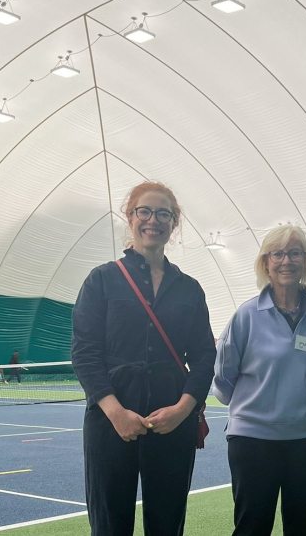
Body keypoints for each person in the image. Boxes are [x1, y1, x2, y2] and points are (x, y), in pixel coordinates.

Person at [71, 182, 217, 536]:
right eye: (145, 212)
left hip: (173, 419)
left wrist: (182, 410)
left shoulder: (189, 288)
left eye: (163, 213)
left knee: (167, 524)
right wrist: (115, 413)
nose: (154, 220)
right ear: (130, 216)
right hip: (110, 423)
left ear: (174, 221)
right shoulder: (101, 280)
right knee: (109, 525)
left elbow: (204, 356)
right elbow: (85, 352)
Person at [214, 225, 306, 536]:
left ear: (305, 261)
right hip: (253, 442)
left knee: (302, 527)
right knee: (252, 527)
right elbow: (224, 377)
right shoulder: (246, 316)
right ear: (265, 262)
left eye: (295, 253)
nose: (286, 261)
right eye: (277, 254)